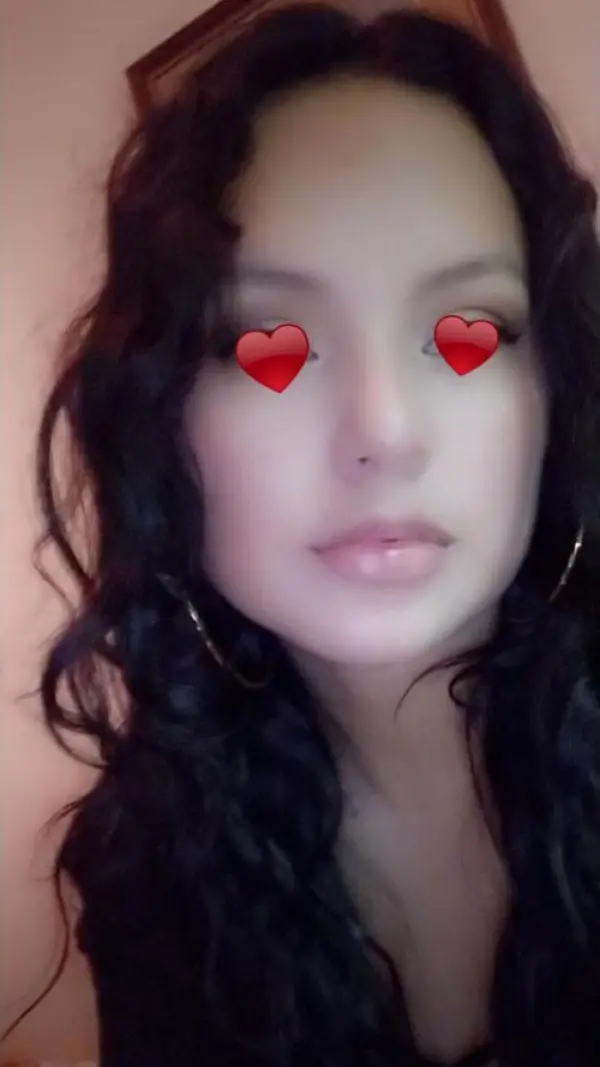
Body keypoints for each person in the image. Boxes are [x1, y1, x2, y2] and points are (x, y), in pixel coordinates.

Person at [3, 4, 600, 1066]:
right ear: (159, 422)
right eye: (264, 344)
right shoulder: (149, 871)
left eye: (467, 336)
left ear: (553, 389)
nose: (385, 431)